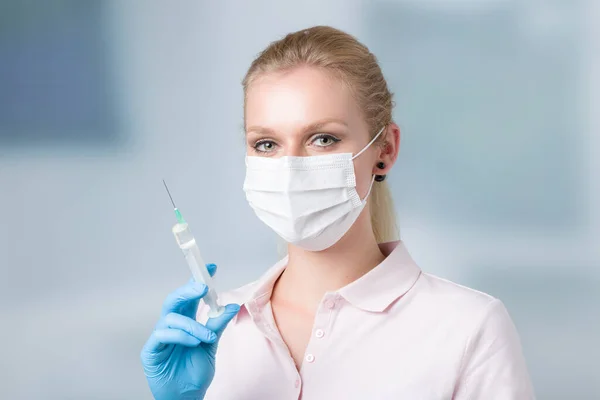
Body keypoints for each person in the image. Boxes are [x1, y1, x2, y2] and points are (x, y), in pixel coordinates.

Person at [141, 26, 535, 399]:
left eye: (322, 139)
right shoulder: (213, 329)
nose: (291, 166)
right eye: (266, 144)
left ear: (385, 150)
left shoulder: (467, 328)